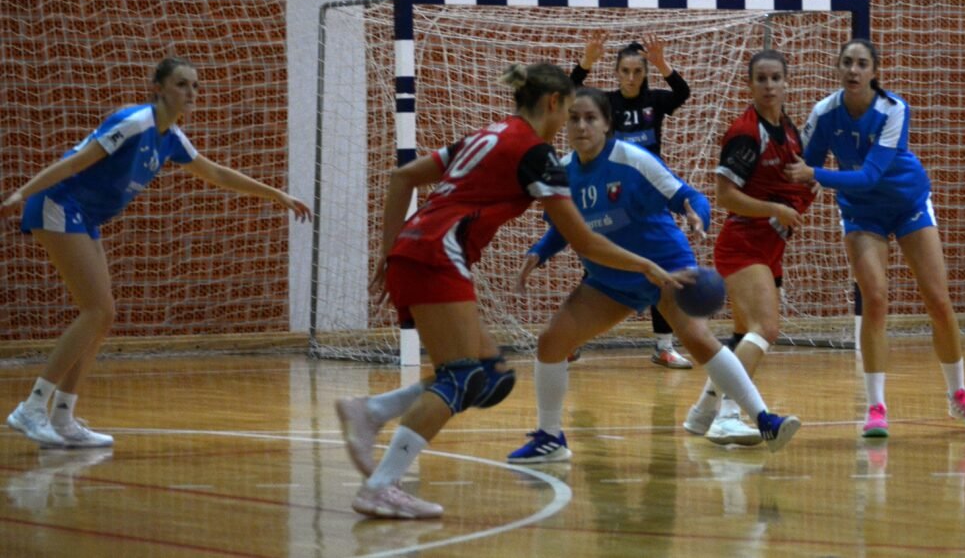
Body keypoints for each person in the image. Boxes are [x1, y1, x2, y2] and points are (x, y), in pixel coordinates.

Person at [335, 63, 682, 520]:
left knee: (489, 374)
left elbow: (403, 178)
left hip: (417, 249)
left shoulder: (489, 134)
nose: (568, 126)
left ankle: (373, 411)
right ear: (553, 103)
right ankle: (381, 485)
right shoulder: (535, 154)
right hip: (437, 254)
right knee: (461, 378)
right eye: (568, 113)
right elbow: (582, 240)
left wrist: (389, 250)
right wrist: (645, 265)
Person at [3, 57, 311, 449]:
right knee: (96, 310)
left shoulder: (172, 138)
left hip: (84, 215)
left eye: (195, 86)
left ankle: (63, 416)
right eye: (181, 84)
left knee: (103, 315)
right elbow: (77, 161)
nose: (190, 93)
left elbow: (215, 172)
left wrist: (276, 194)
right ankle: (32, 408)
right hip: (58, 204)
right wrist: (23, 192)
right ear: (158, 88)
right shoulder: (135, 123)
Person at [506, 87, 801, 465]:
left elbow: (691, 197)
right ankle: (550, 438)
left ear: (607, 124)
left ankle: (764, 419)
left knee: (697, 339)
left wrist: (697, 218)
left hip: (666, 269)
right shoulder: (561, 174)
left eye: (590, 118)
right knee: (551, 341)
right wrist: (538, 252)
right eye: (574, 118)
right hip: (611, 278)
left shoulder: (633, 159)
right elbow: (566, 228)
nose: (581, 126)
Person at [784, 38, 965, 438]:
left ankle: (959, 394)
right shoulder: (824, 113)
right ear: (837, 68)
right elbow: (802, 169)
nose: (853, 70)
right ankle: (876, 407)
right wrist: (784, 208)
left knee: (938, 299)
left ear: (874, 72)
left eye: (862, 63)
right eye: (847, 62)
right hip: (861, 213)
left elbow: (868, 176)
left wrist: (815, 176)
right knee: (875, 299)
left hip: (907, 202)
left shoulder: (893, 109)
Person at [684, 50, 816, 446]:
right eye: (761, 78)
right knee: (766, 329)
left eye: (776, 78)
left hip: (769, 245)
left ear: (787, 82)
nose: (769, 85)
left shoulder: (789, 131)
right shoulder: (745, 132)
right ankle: (727, 416)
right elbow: (725, 195)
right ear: (750, 84)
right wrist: (776, 208)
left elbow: (794, 184)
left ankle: (703, 410)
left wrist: (809, 183)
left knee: (743, 335)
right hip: (743, 243)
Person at [570, 32, 693, 368]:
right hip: (613, 197)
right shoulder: (606, 104)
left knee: (661, 268)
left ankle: (663, 346)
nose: (631, 77)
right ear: (616, 73)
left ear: (645, 74)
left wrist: (662, 64)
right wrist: (585, 63)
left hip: (649, 199)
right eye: (625, 71)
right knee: (600, 263)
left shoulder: (655, 100)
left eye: (638, 71)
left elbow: (682, 93)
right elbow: (569, 94)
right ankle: (571, 339)